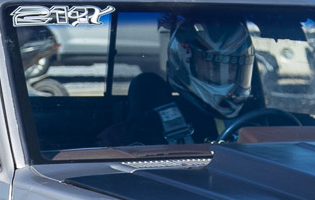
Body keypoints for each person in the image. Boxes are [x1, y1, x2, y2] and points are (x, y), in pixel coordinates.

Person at [97, 16, 258, 146]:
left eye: (233, 68)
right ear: (184, 61)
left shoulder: (256, 117)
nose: (227, 75)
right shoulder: (151, 125)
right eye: (214, 67)